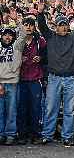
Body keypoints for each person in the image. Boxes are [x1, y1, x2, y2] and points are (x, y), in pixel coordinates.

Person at [35, 0, 74, 146]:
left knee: (69, 109)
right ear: (55, 27)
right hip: (54, 78)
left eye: (65, 24)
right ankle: (47, 135)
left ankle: (67, 136)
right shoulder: (50, 36)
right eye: (61, 24)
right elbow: (42, 26)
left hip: (71, 78)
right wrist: (40, 12)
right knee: (50, 108)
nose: (63, 27)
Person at [17, 16, 47, 145]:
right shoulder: (18, 41)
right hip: (21, 79)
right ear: (22, 26)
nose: (28, 27)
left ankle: (35, 134)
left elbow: (46, 57)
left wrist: (40, 58)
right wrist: (20, 59)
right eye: (26, 24)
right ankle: (23, 134)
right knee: (22, 108)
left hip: (36, 78)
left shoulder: (40, 41)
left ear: (34, 27)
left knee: (36, 108)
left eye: (31, 25)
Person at [0, 26, 25, 145]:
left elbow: (23, 34)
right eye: (5, 34)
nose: (7, 37)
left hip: (13, 83)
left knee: (11, 110)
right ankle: (1, 134)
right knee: (0, 111)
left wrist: (17, 23)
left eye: (10, 35)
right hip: (0, 83)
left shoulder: (17, 47)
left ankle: (10, 134)